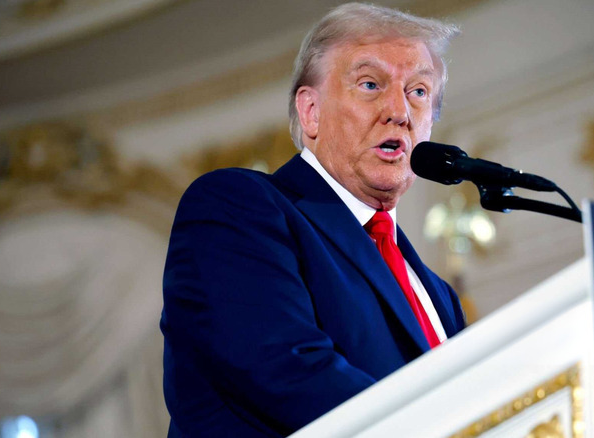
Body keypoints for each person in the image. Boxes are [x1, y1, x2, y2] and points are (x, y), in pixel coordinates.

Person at [160, 3, 464, 437]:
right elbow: (287, 370)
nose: (400, 110)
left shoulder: (439, 296)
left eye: (419, 91)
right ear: (311, 112)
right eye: (371, 84)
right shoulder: (236, 208)